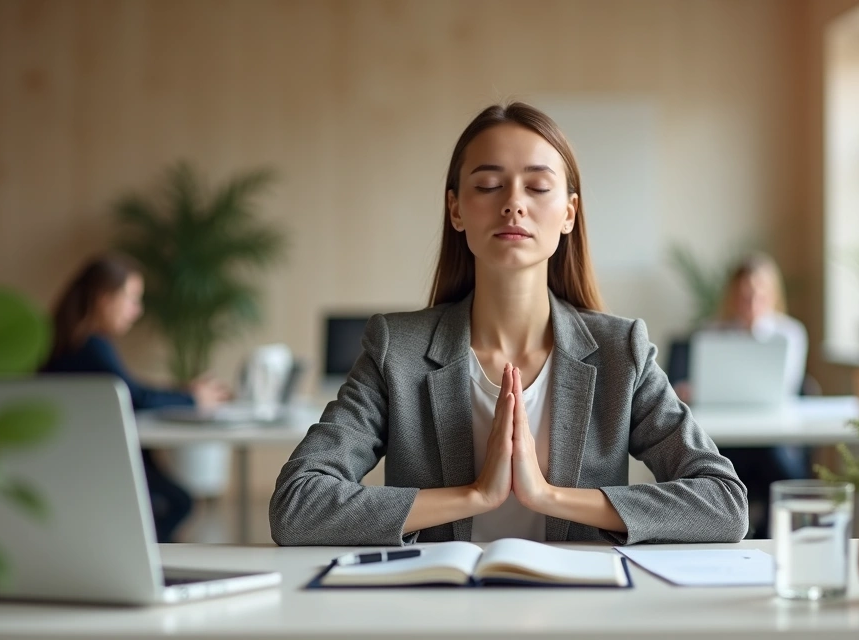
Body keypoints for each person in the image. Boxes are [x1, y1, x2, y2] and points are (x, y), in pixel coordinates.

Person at [269, 102, 748, 546]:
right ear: (456, 208)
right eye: (488, 185)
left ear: (568, 213)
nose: (514, 203)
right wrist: (474, 495)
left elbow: (723, 504)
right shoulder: (397, 349)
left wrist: (548, 496)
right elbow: (296, 505)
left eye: (538, 187)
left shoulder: (620, 350)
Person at [41, 254, 229, 542]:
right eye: (131, 299)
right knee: (178, 502)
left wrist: (184, 393)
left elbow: (131, 388)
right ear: (105, 299)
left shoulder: (69, 343)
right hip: (100, 464)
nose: (136, 310)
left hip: (78, 460)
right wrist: (192, 400)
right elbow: (134, 396)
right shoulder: (90, 345)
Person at [675, 253, 812, 538]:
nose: (751, 301)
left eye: (759, 293)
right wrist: (692, 391)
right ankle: (733, 532)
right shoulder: (712, 334)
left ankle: (767, 538)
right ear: (733, 295)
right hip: (728, 439)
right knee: (715, 473)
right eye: (745, 293)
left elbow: (785, 388)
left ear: (773, 295)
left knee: (781, 469)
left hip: (772, 437)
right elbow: (704, 388)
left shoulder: (788, 334)